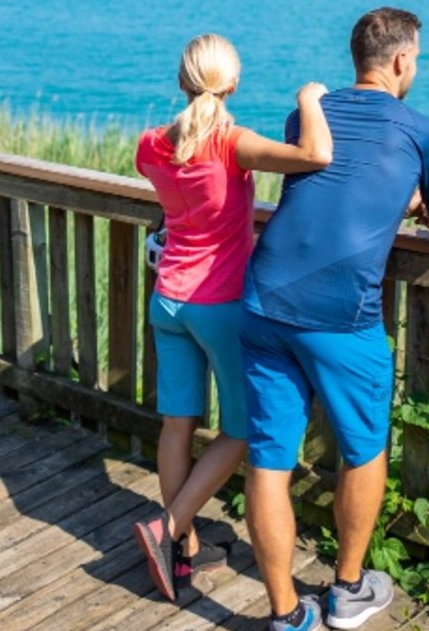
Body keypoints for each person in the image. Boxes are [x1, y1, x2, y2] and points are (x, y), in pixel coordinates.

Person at [241, 7, 429, 631]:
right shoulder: (423, 131)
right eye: (416, 58)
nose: (415, 67)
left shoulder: (305, 116)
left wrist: (398, 197)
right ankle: (346, 591)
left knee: (268, 460)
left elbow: (329, 184)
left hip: (262, 298)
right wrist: (418, 205)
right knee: (364, 449)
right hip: (341, 314)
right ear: (401, 61)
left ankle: (288, 616)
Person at [129, 33, 336, 601]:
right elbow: (317, 155)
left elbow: (176, 194)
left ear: (181, 80)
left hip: (166, 298)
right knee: (243, 429)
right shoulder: (232, 143)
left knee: (177, 424)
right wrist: (311, 100)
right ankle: (168, 528)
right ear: (234, 83)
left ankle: (181, 549)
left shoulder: (150, 145)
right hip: (216, 304)